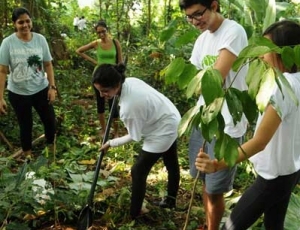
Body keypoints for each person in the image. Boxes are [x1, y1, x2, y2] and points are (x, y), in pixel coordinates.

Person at [195, 20, 300, 230]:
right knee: (274, 226)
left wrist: (217, 164)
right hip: (290, 171)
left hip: (272, 177)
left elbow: (260, 142)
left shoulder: (282, 88)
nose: (261, 55)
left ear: (284, 53)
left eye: (266, 49)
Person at [179, 0, 249, 229]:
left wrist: (200, 83)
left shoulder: (233, 31)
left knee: (215, 188)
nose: (195, 21)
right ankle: (209, 223)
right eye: (189, 17)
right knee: (202, 178)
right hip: (204, 117)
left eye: (198, 14)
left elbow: (216, 77)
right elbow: (194, 82)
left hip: (226, 123)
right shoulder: (202, 40)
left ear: (214, 5)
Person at [94, 63, 181, 219]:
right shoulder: (130, 81)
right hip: (167, 115)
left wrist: (111, 143)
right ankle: (171, 200)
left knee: (138, 171)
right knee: (170, 160)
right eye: (99, 91)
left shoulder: (129, 108)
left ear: (117, 84)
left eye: (105, 91)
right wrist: (110, 94)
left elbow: (135, 136)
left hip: (163, 128)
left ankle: (134, 214)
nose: (102, 95)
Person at [0, 7, 57, 158]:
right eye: (20, 22)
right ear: (14, 24)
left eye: (27, 21)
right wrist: (0, 97)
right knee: (25, 126)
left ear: (31, 22)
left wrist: (52, 87)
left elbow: (48, 64)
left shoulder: (40, 40)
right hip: (18, 93)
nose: (25, 25)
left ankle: (51, 154)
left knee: (50, 122)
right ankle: (28, 159)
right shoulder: (7, 43)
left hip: (41, 89)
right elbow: (3, 71)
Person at [76, 20, 122, 138]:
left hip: (112, 77)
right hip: (99, 76)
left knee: (113, 105)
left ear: (107, 30)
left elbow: (120, 61)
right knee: (100, 103)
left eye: (103, 31)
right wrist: (95, 62)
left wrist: (120, 75)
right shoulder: (96, 43)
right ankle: (104, 130)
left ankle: (116, 132)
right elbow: (79, 51)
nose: (101, 35)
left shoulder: (115, 42)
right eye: (99, 33)